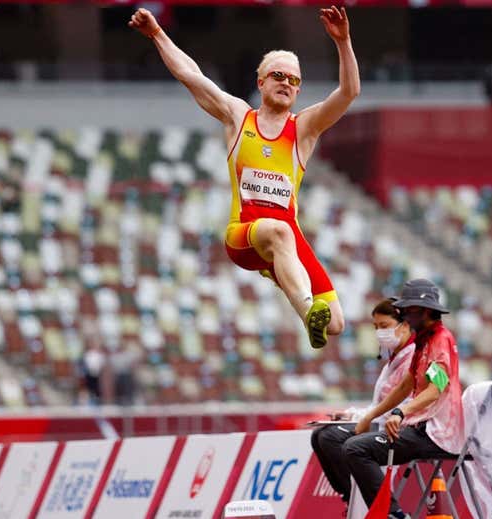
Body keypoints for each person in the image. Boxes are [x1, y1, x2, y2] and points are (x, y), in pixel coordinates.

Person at [129, 6, 359, 348]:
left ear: (298, 91)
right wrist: (158, 34)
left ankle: (284, 276)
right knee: (281, 233)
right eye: (278, 76)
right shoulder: (238, 117)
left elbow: (349, 92)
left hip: (284, 237)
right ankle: (307, 308)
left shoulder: (304, 128)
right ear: (261, 82)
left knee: (337, 322)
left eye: (293, 80)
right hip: (243, 235)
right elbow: (191, 75)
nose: (286, 83)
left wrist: (343, 42)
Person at [343, 279, 464, 519]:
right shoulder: (423, 340)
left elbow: (436, 389)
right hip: (420, 428)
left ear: (426, 310)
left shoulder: (440, 340)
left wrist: (401, 413)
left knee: (356, 448)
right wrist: (370, 415)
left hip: (435, 433)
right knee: (355, 444)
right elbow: (405, 385)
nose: (404, 314)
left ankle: (394, 515)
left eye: (409, 310)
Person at [311, 299, 416, 505]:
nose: (379, 332)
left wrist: (363, 417)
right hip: (379, 421)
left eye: (384, 326)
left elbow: (399, 406)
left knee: (330, 438)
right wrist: (351, 415)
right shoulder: (393, 361)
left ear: (404, 326)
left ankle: (359, 500)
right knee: (318, 436)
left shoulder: (413, 357)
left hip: (399, 426)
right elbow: (380, 405)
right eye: (376, 327)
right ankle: (350, 499)